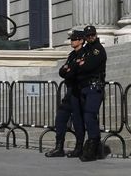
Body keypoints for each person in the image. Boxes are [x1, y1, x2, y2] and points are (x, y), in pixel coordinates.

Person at [45, 30, 86, 158]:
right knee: (60, 117)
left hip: (78, 91)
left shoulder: (84, 53)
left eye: (74, 39)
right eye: (71, 39)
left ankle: (79, 147)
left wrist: (69, 70)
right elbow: (62, 71)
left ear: (81, 40)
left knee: (77, 120)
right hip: (70, 90)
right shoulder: (72, 55)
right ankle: (59, 147)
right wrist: (68, 70)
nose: (72, 41)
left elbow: (74, 71)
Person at [76, 25, 107, 162]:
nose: (91, 37)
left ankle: (93, 145)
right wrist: (79, 64)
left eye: (92, 35)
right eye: (88, 36)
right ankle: (94, 147)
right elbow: (73, 67)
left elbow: (89, 66)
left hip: (95, 86)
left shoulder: (98, 50)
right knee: (86, 117)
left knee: (89, 115)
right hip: (84, 87)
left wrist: (81, 64)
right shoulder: (84, 50)